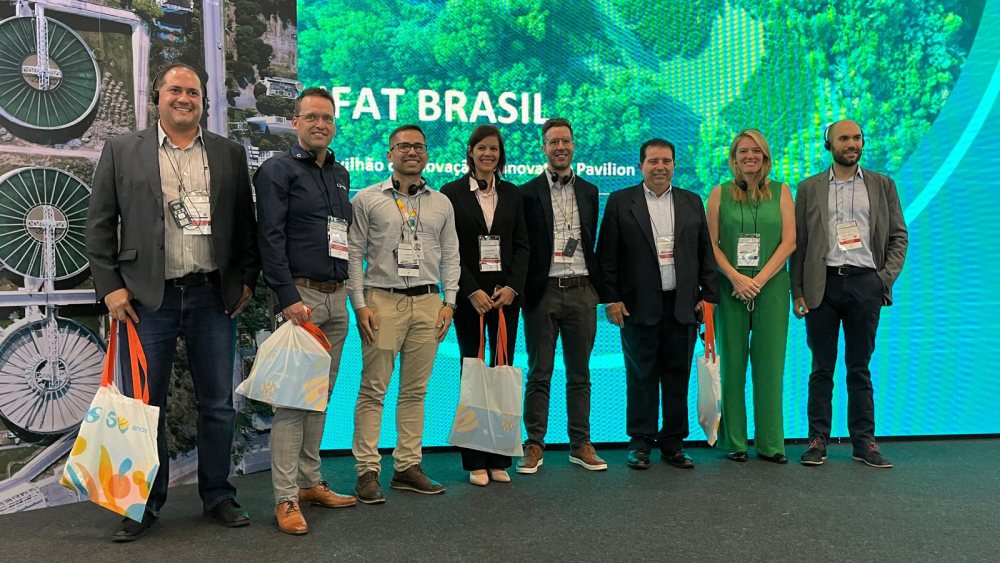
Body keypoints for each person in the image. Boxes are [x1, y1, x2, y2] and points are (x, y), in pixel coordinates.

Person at [86, 62, 259, 541]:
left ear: (203, 101)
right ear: (157, 96)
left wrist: (245, 279)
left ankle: (219, 495)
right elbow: (99, 222)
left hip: (210, 296)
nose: (185, 99)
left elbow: (245, 224)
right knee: (145, 406)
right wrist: (110, 286)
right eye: (176, 90)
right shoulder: (123, 150)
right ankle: (142, 503)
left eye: (194, 93)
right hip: (146, 299)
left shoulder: (227, 153)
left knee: (219, 404)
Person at [253, 87, 357, 535]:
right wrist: (287, 297)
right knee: (294, 403)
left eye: (327, 118)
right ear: (295, 122)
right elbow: (269, 238)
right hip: (301, 299)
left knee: (320, 398)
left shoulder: (340, 173)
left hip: (337, 297)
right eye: (311, 117)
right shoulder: (277, 170)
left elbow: (342, 237)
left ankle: (311, 481)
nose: (320, 124)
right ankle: (285, 498)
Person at [348, 124, 461, 502]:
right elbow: (353, 255)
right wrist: (359, 304)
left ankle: (407, 466)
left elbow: (451, 255)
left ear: (427, 154)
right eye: (403, 146)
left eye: (419, 146)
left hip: (430, 302)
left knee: (415, 391)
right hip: (381, 300)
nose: (412, 152)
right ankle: (367, 470)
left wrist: (450, 302)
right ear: (389, 154)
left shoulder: (441, 202)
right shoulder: (367, 199)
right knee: (373, 389)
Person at [791, 119, 908, 468]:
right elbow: (799, 245)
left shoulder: (882, 184)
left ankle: (864, 442)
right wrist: (797, 290)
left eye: (856, 137)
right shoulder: (809, 188)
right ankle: (817, 440)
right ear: (829, 144)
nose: (851, 143)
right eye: (844, 138)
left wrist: (883, 279)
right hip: (821, 286)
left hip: (864, 284)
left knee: (860, 369)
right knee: (821, 368)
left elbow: (898, 237)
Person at [597, 138, 718, 470]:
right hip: (637, 307)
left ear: (674, 166)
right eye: (653, 161)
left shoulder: (692, 202)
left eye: (666, 161)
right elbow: (607, 255)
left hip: (683, 306)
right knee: (641, 377)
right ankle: (640, 442)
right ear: (641, 166)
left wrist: (708, 297)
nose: (660, 167)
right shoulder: (622, 202)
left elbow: (705, 253)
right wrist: (611, 299)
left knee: (677, 377)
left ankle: (673, 442)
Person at [517, 118, 608, 474]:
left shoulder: (589, 191)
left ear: (573, 146)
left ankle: (580, 444)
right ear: (543, 147)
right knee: (539, 373)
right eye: (553, 142)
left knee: (580, 374)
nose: (560, 147)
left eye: (565, 141)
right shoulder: (526, 192)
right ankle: (534, 445)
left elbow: (588, 240)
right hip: (543, 293)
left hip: (583, 292)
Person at [440, 125, 529, 486]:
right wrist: (469, 290)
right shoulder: (451, 193)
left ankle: (500, 456)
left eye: (494, 149)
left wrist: (512, 288)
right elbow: (449, 249)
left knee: (502, 369)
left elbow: (523, 246)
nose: (488, 154)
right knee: (473, 371)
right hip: (470, 298)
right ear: (471, 152)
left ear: (500, 154)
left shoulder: (513, 194)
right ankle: (475, 458)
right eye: (482, 148)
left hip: (505, 298)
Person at [706, 129, 795, 464]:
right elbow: (711, 244)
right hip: (731, 289)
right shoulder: (719, 194)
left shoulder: (783, 191)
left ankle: (771, 444)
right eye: (743, 151)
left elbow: (789, 242)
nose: (750, 157)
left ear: (765, 157)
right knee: (732, 366)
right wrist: (735, 277)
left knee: (770, 367)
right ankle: (735, 442)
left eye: (756, 151)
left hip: (771, 288)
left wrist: (757, 279)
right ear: (734, 157)